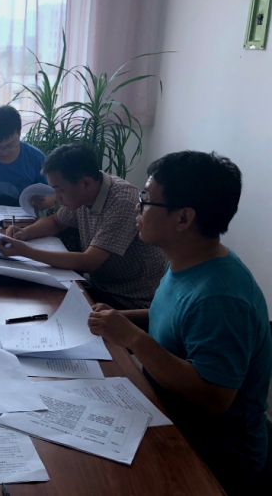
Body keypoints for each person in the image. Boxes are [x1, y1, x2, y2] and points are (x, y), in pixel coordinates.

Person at [87, 151, 271, 495]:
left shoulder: (221, 298)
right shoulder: (190, 261)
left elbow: (214, 397)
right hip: (165, 410)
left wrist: (132, 338)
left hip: (214, 455)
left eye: (146, 200)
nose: (137, 208)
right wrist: (120, 319)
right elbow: (172, 318)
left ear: (183, 218)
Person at [0, 143, 167, 310]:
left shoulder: (123, 202)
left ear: (86, 183)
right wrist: (24, 233)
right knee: (31, 295)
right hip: (101, 289)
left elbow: (89, 262)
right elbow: (56, 222)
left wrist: (26, 251)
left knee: (44, 304)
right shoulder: (85, 193)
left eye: (60, 189)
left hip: (130, 301)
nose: (56, 197)